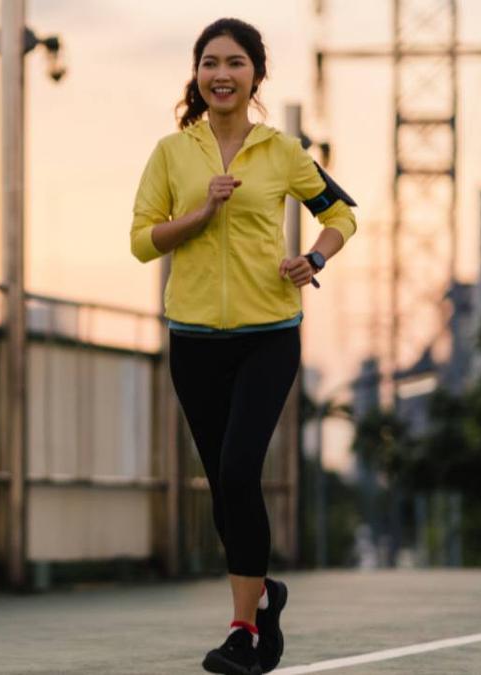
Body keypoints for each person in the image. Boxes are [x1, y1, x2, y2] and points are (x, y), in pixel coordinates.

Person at [129, 17, 357, 675]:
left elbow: (342, 215)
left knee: (236, 473)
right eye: (209, 63)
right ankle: (263, 600)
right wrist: (200, 213)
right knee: (225, 490)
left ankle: (245, 629)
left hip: (269, 336)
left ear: (255, 73)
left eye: (234, 62)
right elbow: (142, 240)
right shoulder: (172, 154)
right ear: (196, 75)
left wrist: (313, 256)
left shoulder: (282, 151)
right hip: (194, 340)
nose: (220, 74)